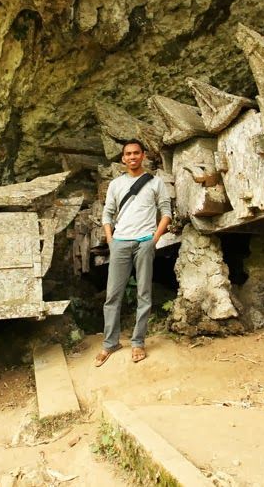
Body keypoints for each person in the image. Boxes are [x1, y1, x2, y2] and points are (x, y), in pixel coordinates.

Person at [94, 139, 172, 366]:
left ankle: (138, 342)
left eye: (136, 153)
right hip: (120, 243)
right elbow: (107, 214)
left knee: (144, 294)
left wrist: (154, 238)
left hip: (144, 242)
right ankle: (110, 344)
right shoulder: (116, 184)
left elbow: (166, 211)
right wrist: (111, 240)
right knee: (112, 296)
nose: (132, 157)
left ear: (143, 155)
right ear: (123, 158)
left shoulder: (155, 183)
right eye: (128, 154)